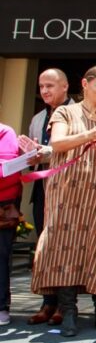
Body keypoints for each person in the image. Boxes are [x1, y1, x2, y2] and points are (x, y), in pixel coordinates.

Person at [30, 65, 96, 337]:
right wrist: (89, 136)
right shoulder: (64, 112)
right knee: (64, 246)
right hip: (65, 191)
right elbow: (57, 144)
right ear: (84, 84)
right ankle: (68, 309)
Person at [24, 68, 73, 326]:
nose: (44, 90)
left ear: (65, 87)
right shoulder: (38, 118)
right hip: (42, 189)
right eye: (42, 86)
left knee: (64, 245)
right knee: (43, 247)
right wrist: (30, 156)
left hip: (67, 189)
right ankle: (47, 302)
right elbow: (36, 157)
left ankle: (66, 305)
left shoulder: (78, 114)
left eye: (50, 86)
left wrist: (44, 153)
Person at [0, 123, 23, 326]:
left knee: (1, 256)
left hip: (3, 208)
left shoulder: (6, 133)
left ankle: (1, 307)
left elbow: (10, 173)